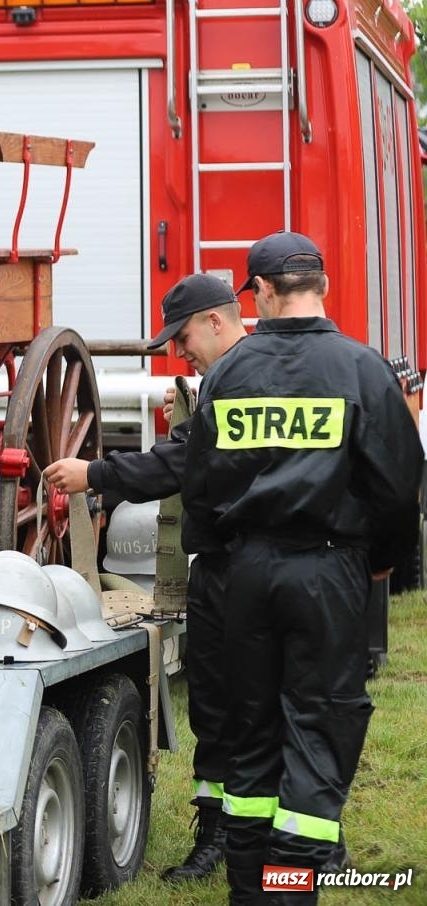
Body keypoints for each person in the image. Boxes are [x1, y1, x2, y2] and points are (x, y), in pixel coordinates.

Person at [181, 231, 422, 904]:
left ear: (256, 293)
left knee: (250, 740)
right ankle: (290, 890)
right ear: (324, 286)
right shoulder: (361, 369)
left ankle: (250, 892)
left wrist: (224, 566)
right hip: (329, 572)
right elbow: (400, 488)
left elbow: (198, 490)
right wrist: (382, 566)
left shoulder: (226, 374)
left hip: (246, 575)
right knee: (318, 735)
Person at [45, 272, 246, 883]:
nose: (178, 351)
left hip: (251, 568)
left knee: (250, 708)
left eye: (183, 337)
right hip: (222, 566)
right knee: (213, 708)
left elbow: (183, 463)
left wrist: (95, 475)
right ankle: (218, 837)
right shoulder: (223, 380)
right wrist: (189, 413)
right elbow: (197, 447)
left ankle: (266, 847)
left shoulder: (246, 378)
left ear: (217, 320)